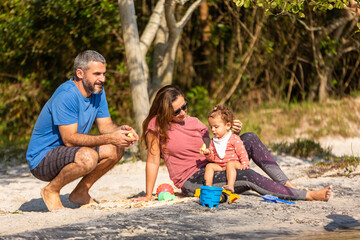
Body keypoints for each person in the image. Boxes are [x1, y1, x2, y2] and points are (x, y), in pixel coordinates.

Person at [134, 85, 332, 202]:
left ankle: (286, 183)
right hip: (193, 180)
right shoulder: (156, 126)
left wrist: (231, 133)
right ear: (164, 111)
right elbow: (152, 160)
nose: (182, 113)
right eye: (176, 111)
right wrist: (149, 194)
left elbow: (215, 144)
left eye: (184, 106)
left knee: (250, 138)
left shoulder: (194, 122)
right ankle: (307, 195)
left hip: (215, 164)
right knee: (246, 174)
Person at [26, 50, 139, 211]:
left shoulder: (97, 91)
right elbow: (69, 139)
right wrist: (110, 138)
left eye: (104, 74)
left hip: (66, 151)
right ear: (80, 73)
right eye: (97, 74)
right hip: (42, 159)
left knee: (116, 148)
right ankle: (51, 190)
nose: (102, 79)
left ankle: (80, 191)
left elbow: (106, 126)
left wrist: (120, 131)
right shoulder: (66, 95)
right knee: (88, 157)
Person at [200, 105, 250, 193]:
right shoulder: (213, 141)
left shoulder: (233, 138)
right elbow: (213, 158)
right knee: (209, 166)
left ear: (227, 125)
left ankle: (230, 186)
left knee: (230, 164)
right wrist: (208, 154)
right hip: (220, 165)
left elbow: (242, 152)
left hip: (234, 163)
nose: (213, 130)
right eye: (211, 127)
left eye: (216, 127)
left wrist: (245, 163)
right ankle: (208, 186)